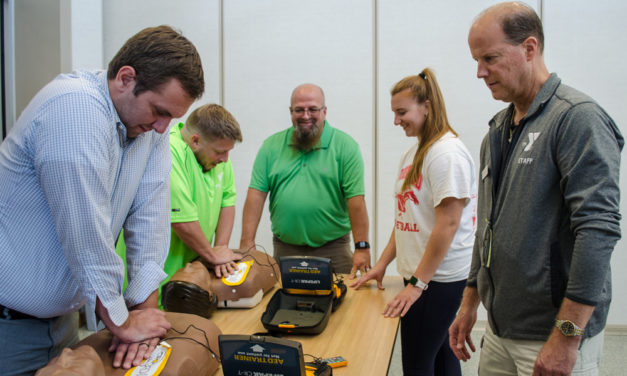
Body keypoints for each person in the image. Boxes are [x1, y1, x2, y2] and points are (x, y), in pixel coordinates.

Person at [0, 25, 204, 375]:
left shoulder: (151, 128)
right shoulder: (76, 106)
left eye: (172, 117)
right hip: (9, 331)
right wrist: (123, 324)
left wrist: (143, 317)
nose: (164, 128)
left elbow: (150, 218)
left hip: (60, 323)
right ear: (126, 78)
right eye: (159, 110)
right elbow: (85, 232)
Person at [448, 3, 623, 375]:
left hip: (553, 334)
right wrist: (469, 301)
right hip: (500, 329)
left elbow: (598, 230)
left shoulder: (577, 119)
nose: (480, 72)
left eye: (489, 58)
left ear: (529, 48)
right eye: (476, 60)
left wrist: (567, 335)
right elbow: (487, 225)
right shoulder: (497, 129)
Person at [351, 69, 477, 375]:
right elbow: (406, 218)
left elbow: (447, 224)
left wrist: (417, 285)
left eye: (402, 112)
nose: (396, 121)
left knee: (418, 365)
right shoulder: (415, 153)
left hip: (439, 280)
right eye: (394, 113)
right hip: (423, 278)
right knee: (442, 359)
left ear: (427, 106)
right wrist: (382, 264)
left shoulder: (446, 154)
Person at [239, 83, 370, 276]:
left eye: (312, 109)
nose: (306, 115)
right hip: (285, 250)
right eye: (299, 110)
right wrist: (246, 242)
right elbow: (256, 195)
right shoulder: (271, 147)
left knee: (343, 304)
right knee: (284, 303)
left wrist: (362, 248)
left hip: (335, 249)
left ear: (324, 111)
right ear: (291, 112)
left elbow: (356, 201)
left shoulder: (346, 147)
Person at [166, 104, 242, 288]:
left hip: (194, 276)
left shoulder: (221, 160)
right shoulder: (169, 152)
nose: (225, 158)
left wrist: (220, 250)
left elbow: (227, 202)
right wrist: (212, 255)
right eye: (219, 151)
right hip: (161, 278)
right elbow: (181, 220)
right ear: (195, 141)